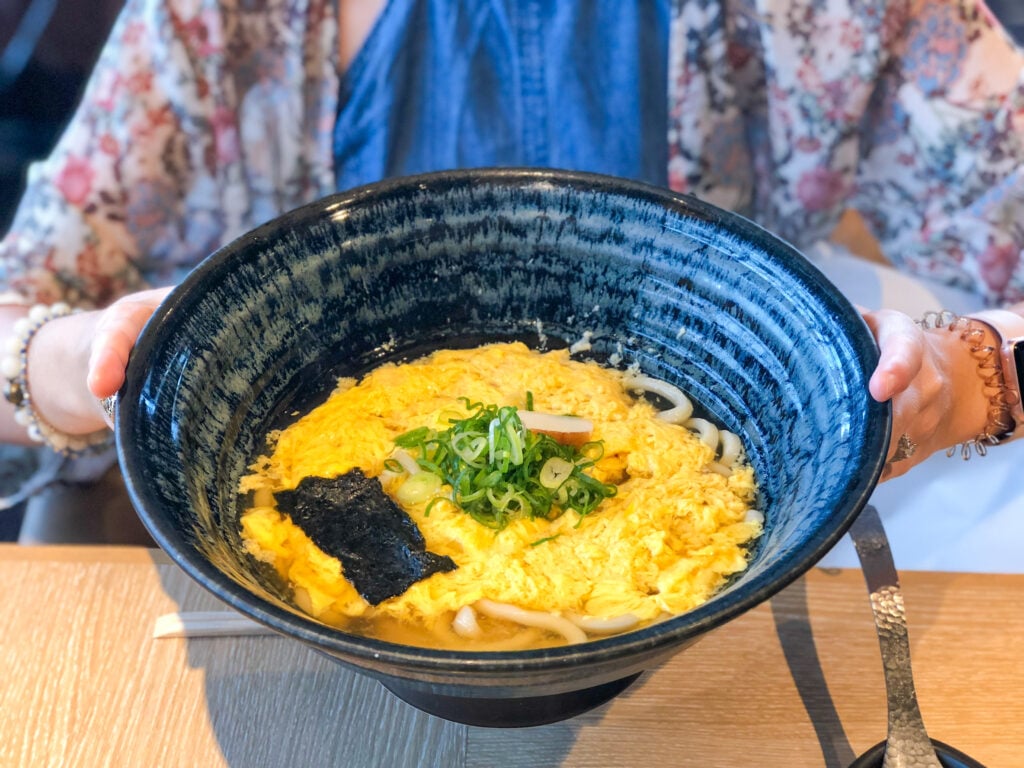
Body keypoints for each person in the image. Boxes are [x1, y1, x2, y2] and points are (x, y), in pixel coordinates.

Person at [2, 0, 1024, 542]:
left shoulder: (839, 13)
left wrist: (969, 374)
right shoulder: (214, 20)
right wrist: (78, 360)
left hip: (715, 564)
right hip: (305, 579)